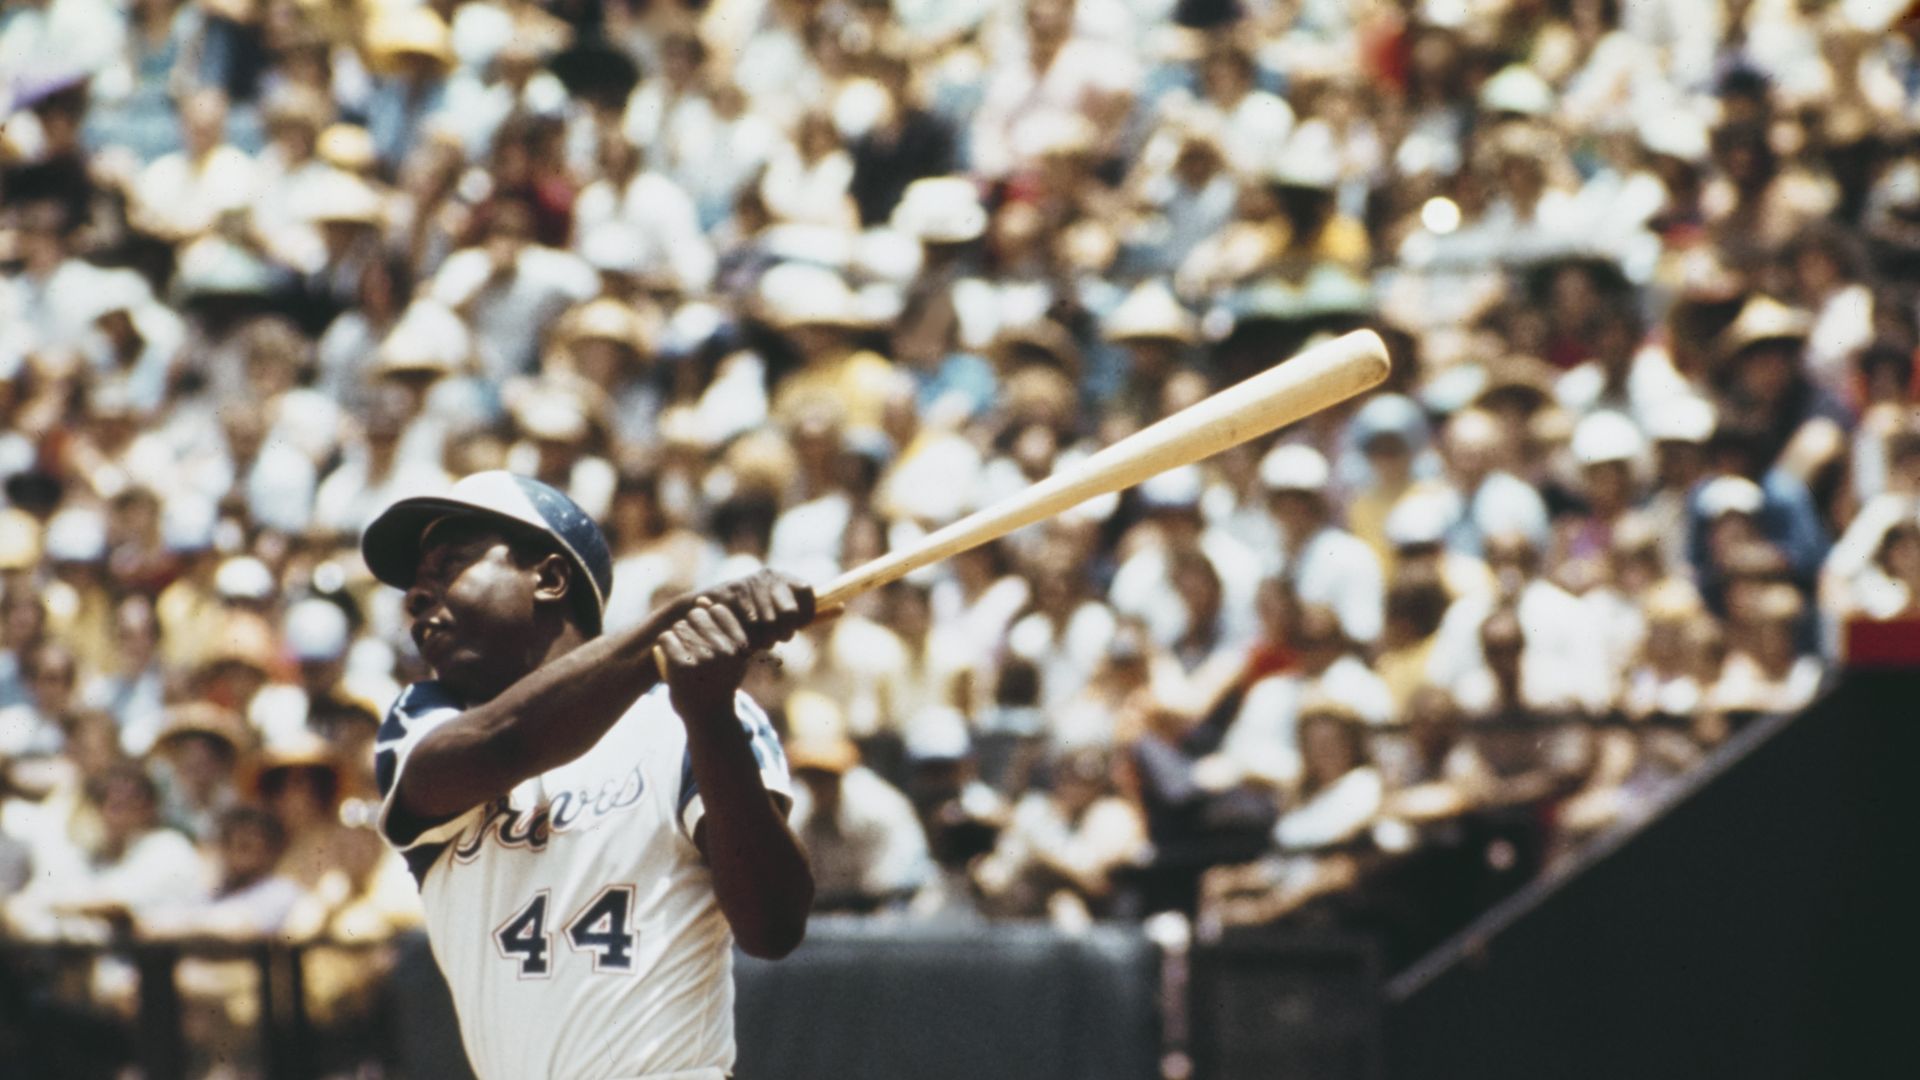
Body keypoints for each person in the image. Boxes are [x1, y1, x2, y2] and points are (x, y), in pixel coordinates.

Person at [359, 470, 815, 1079]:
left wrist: (708, 717)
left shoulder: (684, 714)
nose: (416, 597)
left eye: (447, 566)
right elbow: (505, 745)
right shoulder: (424, 722)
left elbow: (773, 926)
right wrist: (671, 623)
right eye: (415, 585)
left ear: (549, 578)